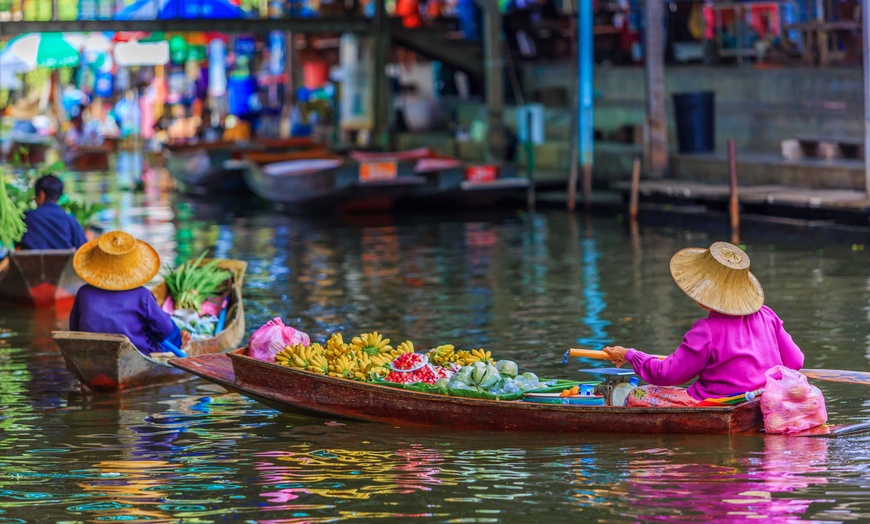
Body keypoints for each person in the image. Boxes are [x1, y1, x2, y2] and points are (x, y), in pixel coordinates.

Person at [602, 241, 805, 407]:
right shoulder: (767, 315)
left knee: (637, 395)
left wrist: (631, 355)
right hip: (763, 400)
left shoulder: (706, 330)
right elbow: (795, 361)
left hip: (720, 403)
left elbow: (667, 374)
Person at [69, 231, 189, 356]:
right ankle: (181, 344)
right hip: (138, 352)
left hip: (92, 352)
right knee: (171, 330)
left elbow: (74, 328)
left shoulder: (84, 293)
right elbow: (165, 329)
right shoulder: (143, 295)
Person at [17, 175, 88, 251]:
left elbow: (16, 246)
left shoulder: (26, 218)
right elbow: (83, 249)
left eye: (35, 196)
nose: (35, 199)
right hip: (63, 262)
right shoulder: (71, 220)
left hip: (30, 262)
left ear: (41, 195)